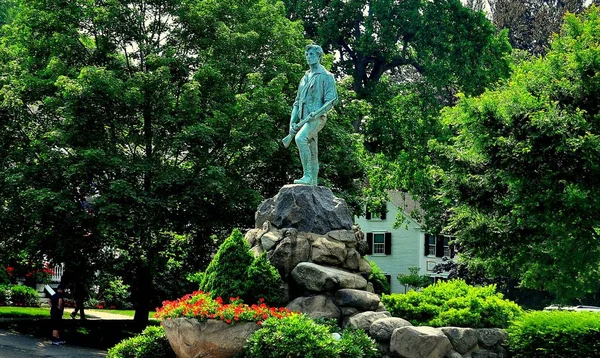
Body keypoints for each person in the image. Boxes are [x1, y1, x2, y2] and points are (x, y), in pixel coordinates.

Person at [288, 44, 338, 186]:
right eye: (307, 54)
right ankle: (313, 184)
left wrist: (316, 113)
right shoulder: (304, 78)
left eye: (311, 54)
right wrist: (292, 122)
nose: (308, 57)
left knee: (300, 138)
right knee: (312, 151)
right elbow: (297, 102)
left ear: (319, 56)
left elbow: (331, 101)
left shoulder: (327, 76)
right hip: (303, 120)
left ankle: (308, 176)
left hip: (317, 118)